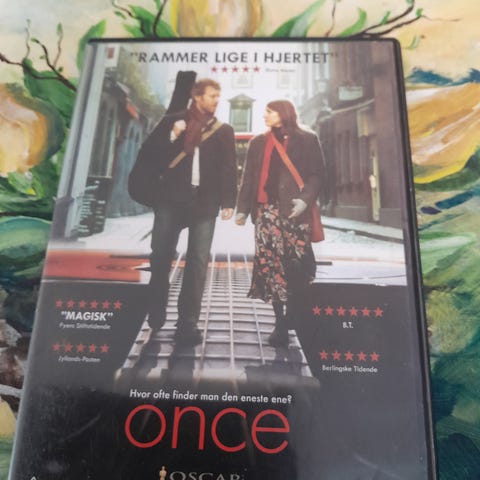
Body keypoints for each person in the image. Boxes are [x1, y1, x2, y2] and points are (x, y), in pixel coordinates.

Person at [143, 78, 237, 345]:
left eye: (218, 95)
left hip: (205, 202)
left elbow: (229, 168)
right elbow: (153, 158)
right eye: (212, 95)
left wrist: (228, 202)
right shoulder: (173, 122)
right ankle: (156, 308)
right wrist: (173, 135)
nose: (216, 100)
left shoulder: (223, 130)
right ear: (197, 97)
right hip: (170, 200)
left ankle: (187, 323)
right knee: (160, 256)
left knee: (197, 262)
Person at [236, 100, 324, 347]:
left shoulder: (307, 139)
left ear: (283, 114)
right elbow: (249, 178)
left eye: (270, 111)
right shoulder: (257, 142)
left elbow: (317, 174)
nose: (265, 115)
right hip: (266, 212)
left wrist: (305, 201)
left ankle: (293, 311)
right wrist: (242, 209)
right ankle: (280, 323)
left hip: (295, 211)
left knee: (295, 264)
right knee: (271, 265)